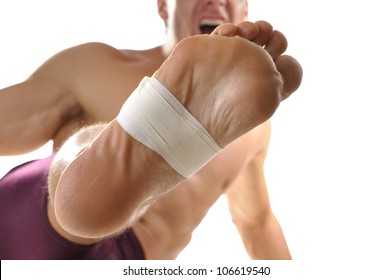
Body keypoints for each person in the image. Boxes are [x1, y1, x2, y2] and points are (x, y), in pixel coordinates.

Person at [0, 0, 302, 260]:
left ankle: (131, 150)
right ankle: (95, 174)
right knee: (77, 161)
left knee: (84, 180)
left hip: (125, 262)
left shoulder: (252, 128)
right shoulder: (94, 67)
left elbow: (256, 222)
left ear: (244, 9)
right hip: (31, 226)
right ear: (163, 6)